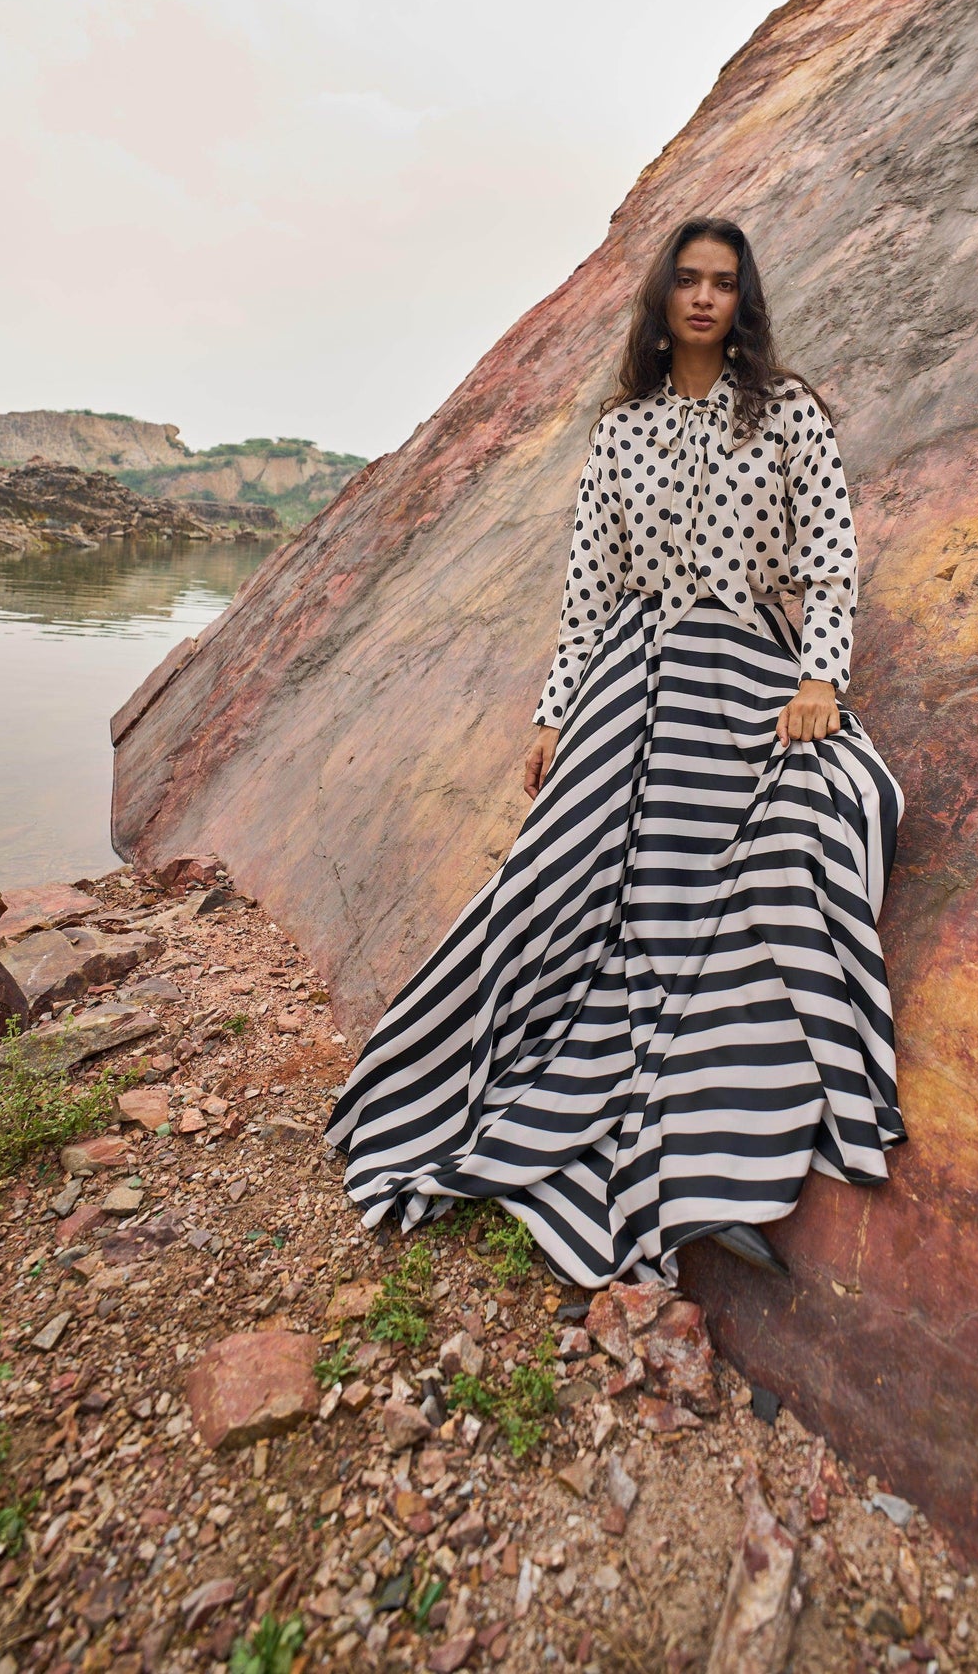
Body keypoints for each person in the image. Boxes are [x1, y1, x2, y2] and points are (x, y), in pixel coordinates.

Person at [325, 216, 904, 1286]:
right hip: (633, 671)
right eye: (686, 279)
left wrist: (820, 678)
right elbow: (588, 589)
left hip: (747, 659)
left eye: (721, 281)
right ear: (661, 298)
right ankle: (511, 1087)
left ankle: (717, 1127)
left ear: (742, 300)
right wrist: (554, 715)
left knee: (831, 813)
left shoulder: (786, 413)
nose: (703, 296)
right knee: (561, 866)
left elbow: (831, 560)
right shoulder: (620, 431)